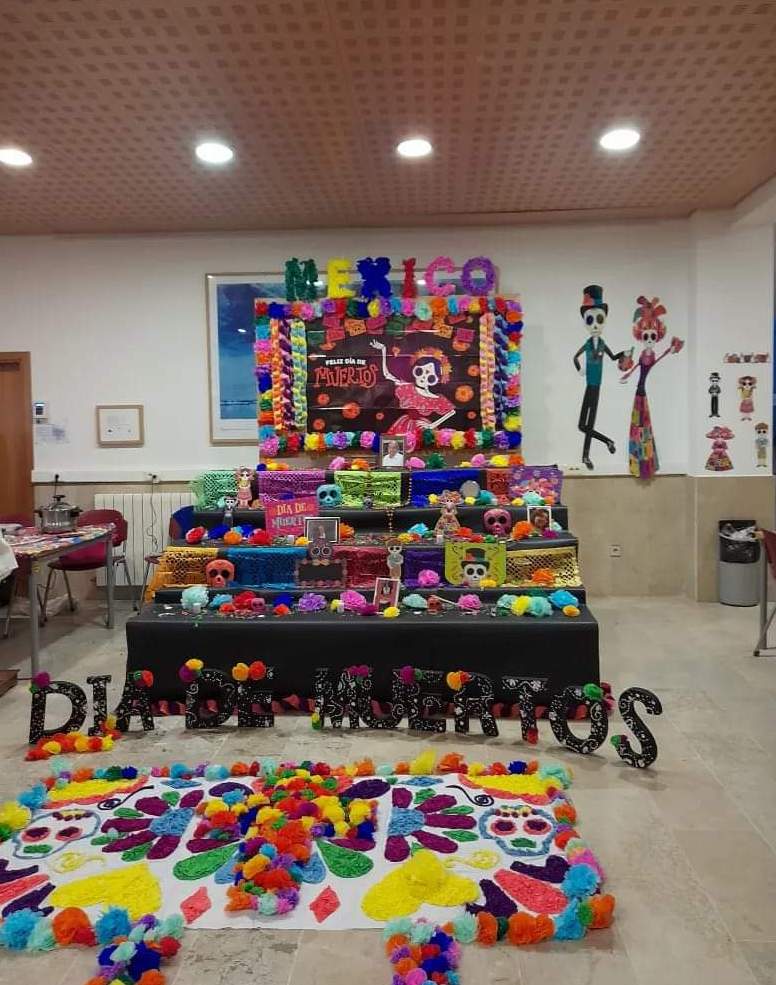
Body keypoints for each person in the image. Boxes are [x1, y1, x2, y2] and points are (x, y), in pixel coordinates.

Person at [620, 296, 683, 479]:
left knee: (645, 431)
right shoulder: (642, 355)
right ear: (641, 336)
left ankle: (647, 464)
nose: (649, 340)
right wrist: (627, 374)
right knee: (638, 430)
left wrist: (670, 351)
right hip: (639, 393)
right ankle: (638, 464)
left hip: (646, 395)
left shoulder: (655, 356)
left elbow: (657, 364)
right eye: (646, 336)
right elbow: (637, 367)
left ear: (658, 336)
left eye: (652, 336)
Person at [572, 285, 625, 470]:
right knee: (581, 425)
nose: (595, 325)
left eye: (599, 319)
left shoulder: (602, 344)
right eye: (590, 320)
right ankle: (608, 441)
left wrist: (624, 355)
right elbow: (574, 357)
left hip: (597, 386)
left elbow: (613, 357)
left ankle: (586, 456)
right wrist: (580, 369)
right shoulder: (587, 344)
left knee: (589, 422)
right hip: (589, 384)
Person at [370, 341, 455, 443]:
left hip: (422, 427)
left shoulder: (435, 398)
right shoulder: (408, 387)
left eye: (430, 377)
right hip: (403, 424)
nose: (423, 377)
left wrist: (432, 425)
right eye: (419, 371)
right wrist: (383, 350)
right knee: (398, 445)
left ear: (436, 379)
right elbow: (387, 375)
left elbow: (451, 411)